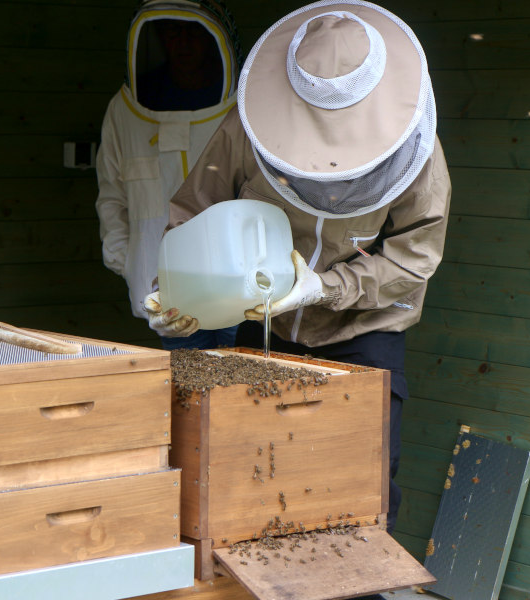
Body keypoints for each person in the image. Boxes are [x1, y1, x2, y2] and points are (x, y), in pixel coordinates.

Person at [144, 0, 451, 534]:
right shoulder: (246, 127)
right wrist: (169, 293)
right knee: (259, 481)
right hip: (270, 325)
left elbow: (416, 254)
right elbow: (194, 212)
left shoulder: (414, 143)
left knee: (365, 484)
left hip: (364, 330)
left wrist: (325, 288)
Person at [95, 0, 243, 350]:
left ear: (213, 37)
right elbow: (112, 194)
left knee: (243, 398)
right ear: (158, 37)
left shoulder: (243, 106)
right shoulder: (125, 108)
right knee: (190, 399)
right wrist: (128, 263)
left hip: (241, 292)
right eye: (172, 32)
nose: (183, 42)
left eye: (193, 31)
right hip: (168, 299)